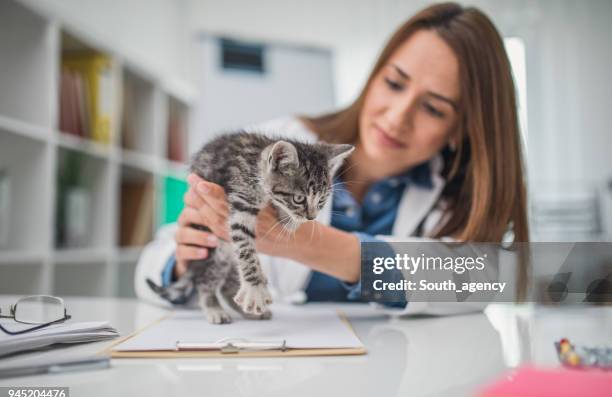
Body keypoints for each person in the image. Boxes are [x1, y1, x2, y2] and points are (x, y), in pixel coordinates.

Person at [135, 2, 529, 315]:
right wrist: (187, 260)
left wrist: (305, 243)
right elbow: (152, 265)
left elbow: (488, 277)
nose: (396, 117)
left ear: (462, 128)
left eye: (434, 109)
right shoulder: (276, 148)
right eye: (393, 83)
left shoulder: (459, 197)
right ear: (373, 75)